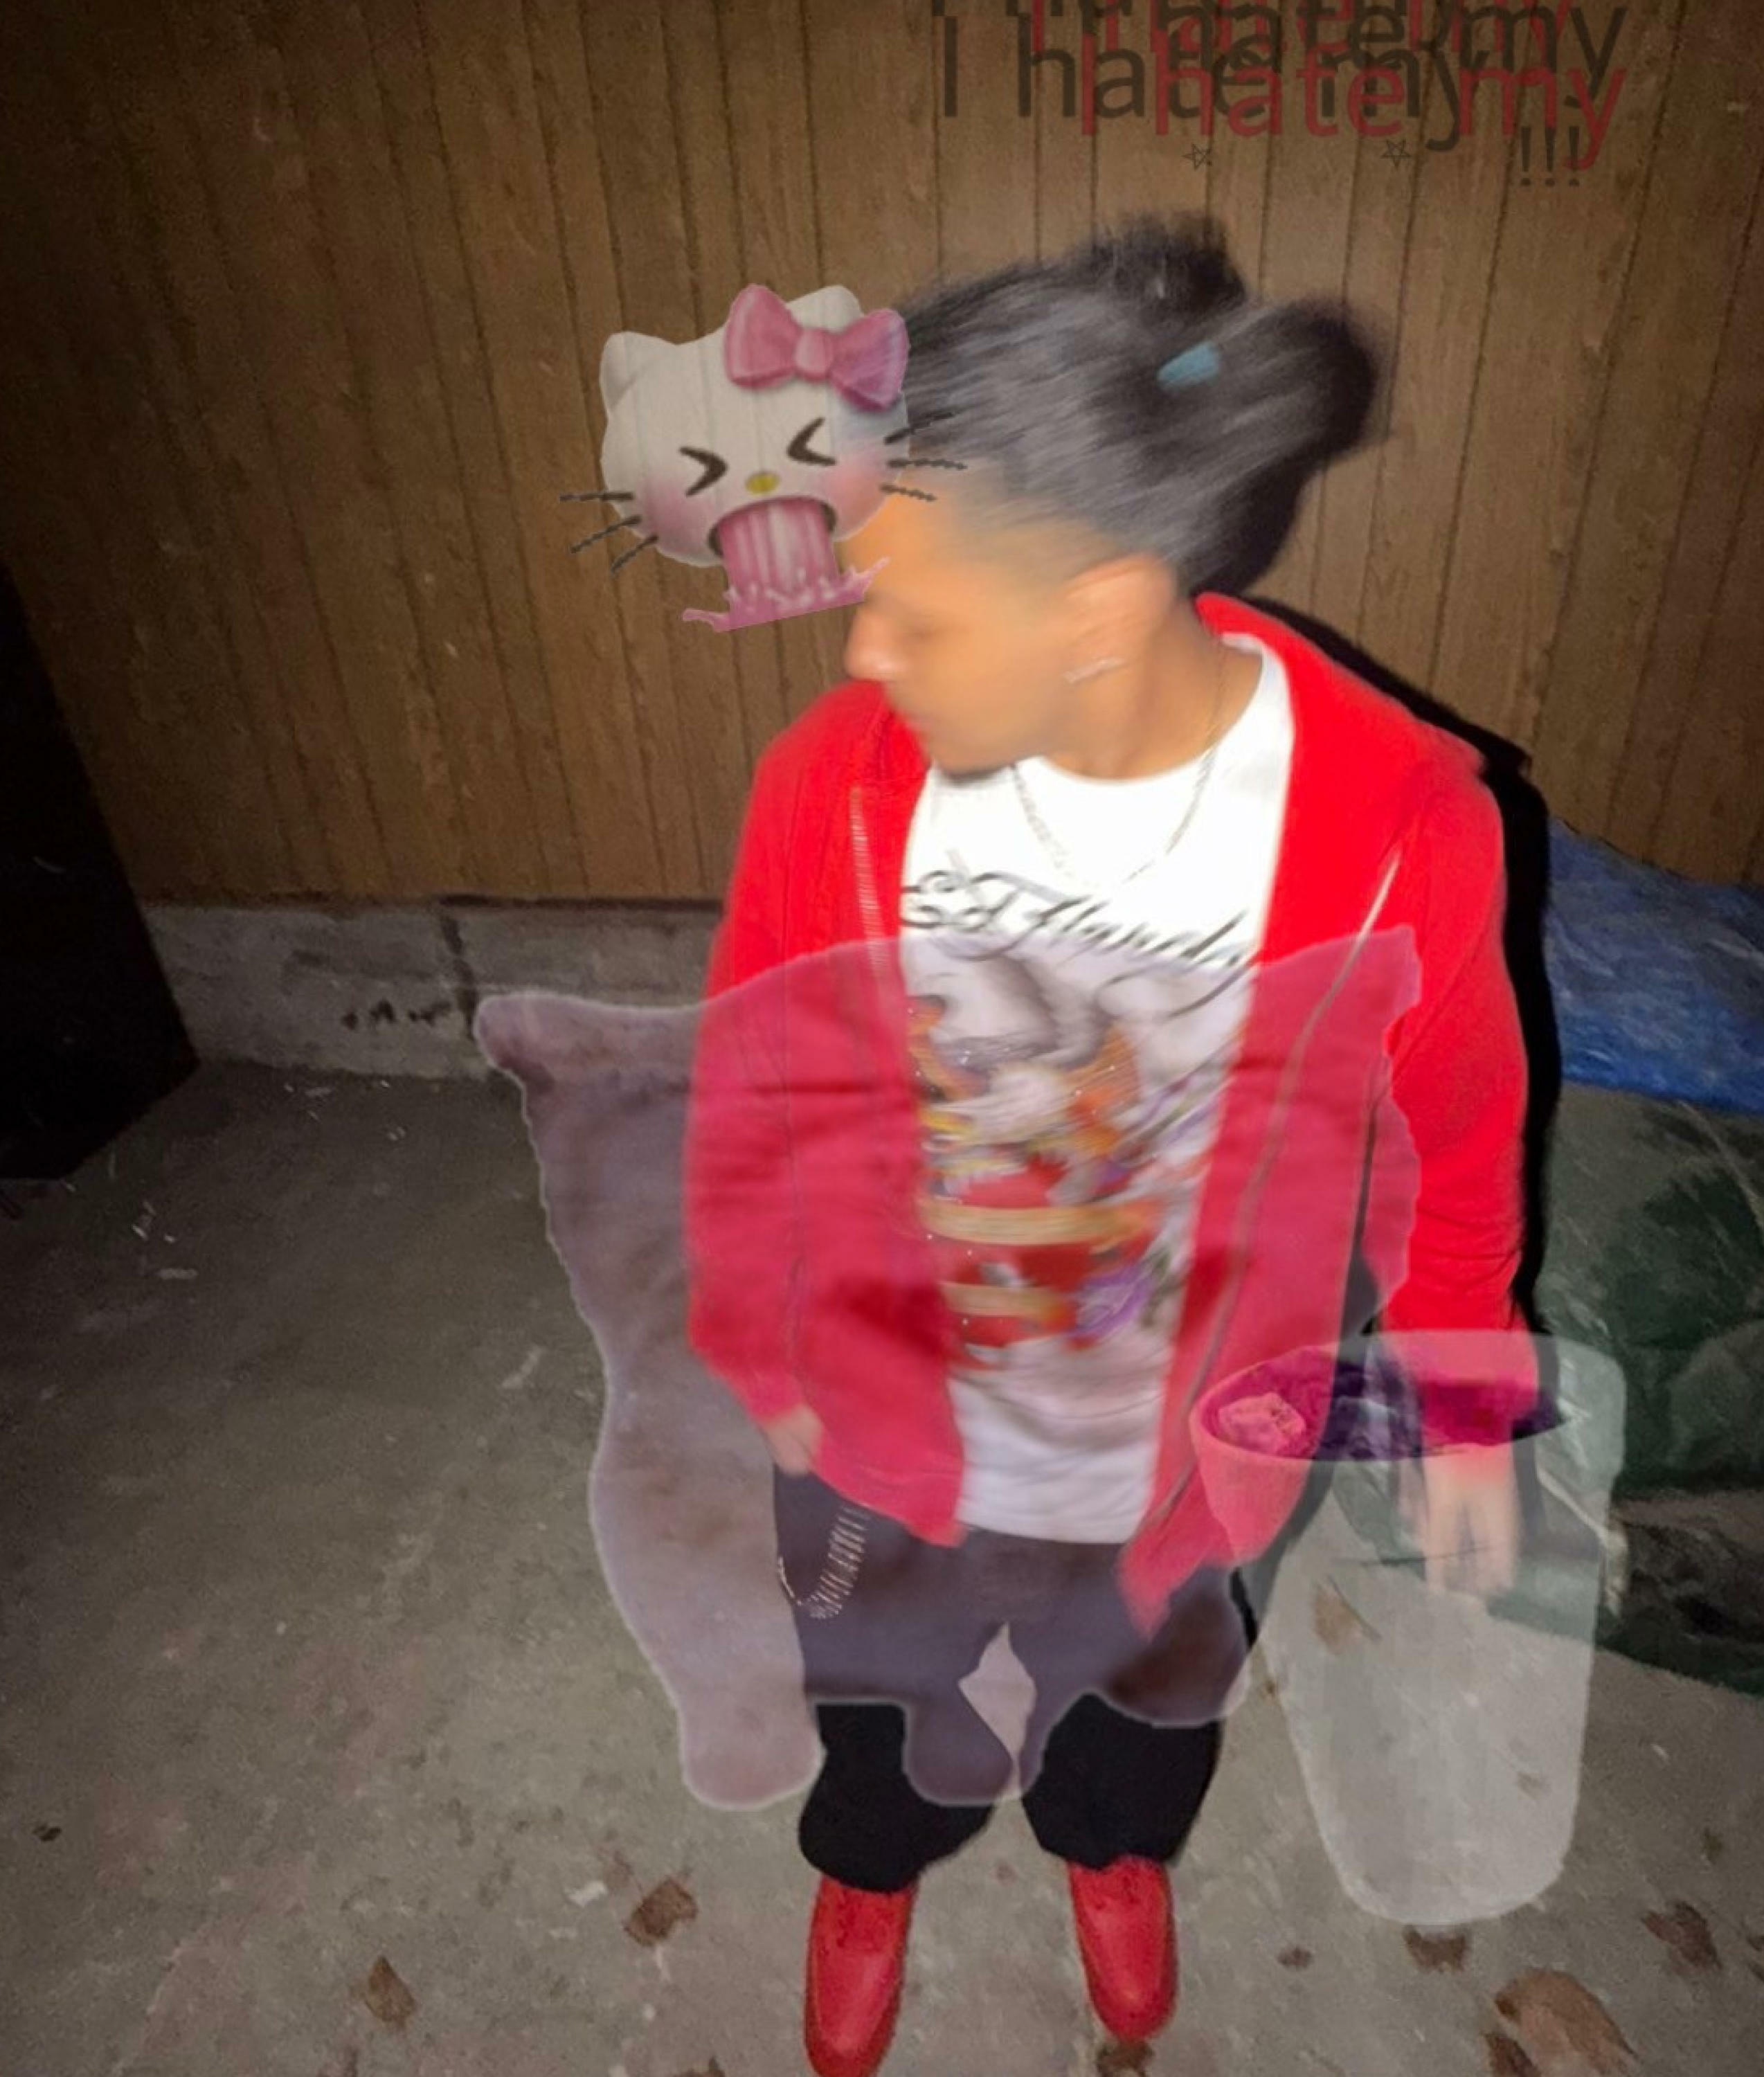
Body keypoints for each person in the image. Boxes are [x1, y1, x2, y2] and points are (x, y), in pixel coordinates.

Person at [683, 214, 1537, 2077]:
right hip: (886, 1412)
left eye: (914, 608)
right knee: (881, 1695)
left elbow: (1457, 1122)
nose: (864, 647)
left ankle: (1109, 1848)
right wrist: (758, 1339)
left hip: (1183, 1436)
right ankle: (874, 1866)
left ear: (1097, 608)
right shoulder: (835, 788)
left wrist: (1461, 1385)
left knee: (1145, 1702)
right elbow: (756, 1082)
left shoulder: (1397, 826)